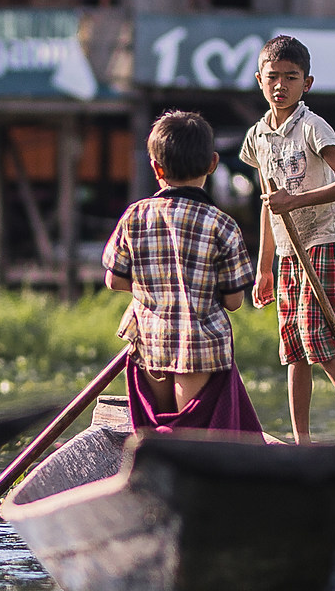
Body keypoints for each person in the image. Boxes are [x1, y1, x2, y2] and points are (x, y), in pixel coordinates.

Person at [240, 35, 335, 441]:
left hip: (324, 242)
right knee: (293, 349)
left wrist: (295, 200)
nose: (280, 86)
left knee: (320, 342)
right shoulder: (258, 136)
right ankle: (302, 442)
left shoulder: (312, 127)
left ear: (306, 83)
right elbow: (269, 204)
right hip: (288, 253)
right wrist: (264, 267)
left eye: (291, 78)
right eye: (273, 77)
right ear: (259, 80)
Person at [101, 110, 265, 435]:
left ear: (156, 168)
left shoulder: (135, 215)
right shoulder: (223, 225)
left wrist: (156, 286)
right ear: (213, 163)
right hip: (199, 346)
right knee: (193, 436)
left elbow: (114, 279)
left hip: (149, 340)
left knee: (161, 433)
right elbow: (234, 302)